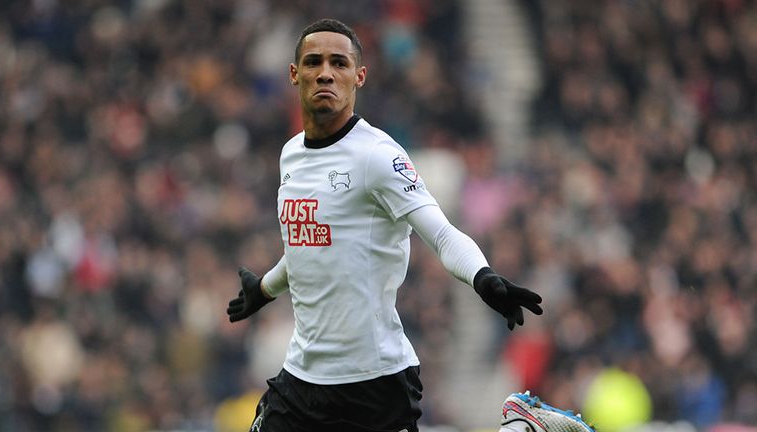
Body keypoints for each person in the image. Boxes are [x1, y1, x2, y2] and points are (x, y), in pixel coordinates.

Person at [226, 18, 582, 432]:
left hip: (372, 382)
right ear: (294, 74)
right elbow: (312, 247)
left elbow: (441, 231)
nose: (325, 72)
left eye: (339, 63)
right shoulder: (291, 155)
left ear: (359, 76)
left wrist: (482, 276)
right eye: (313, 62)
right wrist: (264, 289)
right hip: (302, 377)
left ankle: (522, 428)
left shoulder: (377, 156)